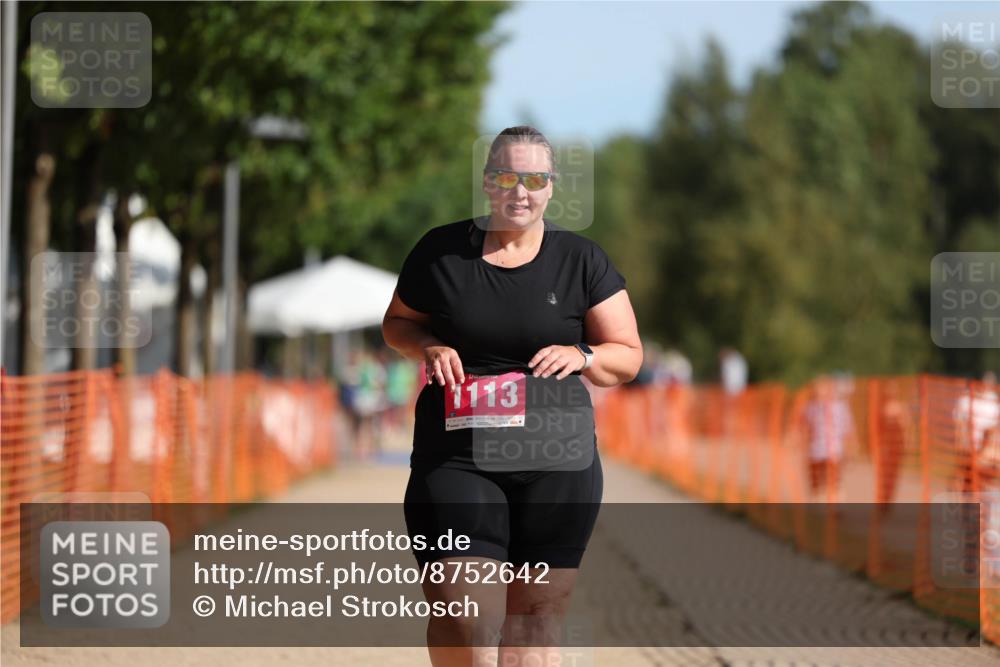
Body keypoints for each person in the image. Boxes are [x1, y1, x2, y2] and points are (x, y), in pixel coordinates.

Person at [382, 126, 642, 666]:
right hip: (459, 458)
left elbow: (628, 355)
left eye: (533, 178)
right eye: (505, 176)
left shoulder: (581, 260)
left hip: (557, 462)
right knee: (462, 617)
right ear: (486, 183)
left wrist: (586, 357)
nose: (519, 191)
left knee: (538, 619)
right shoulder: (441, 252)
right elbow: (396, 324)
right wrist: (427, 345)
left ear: (551, 186)